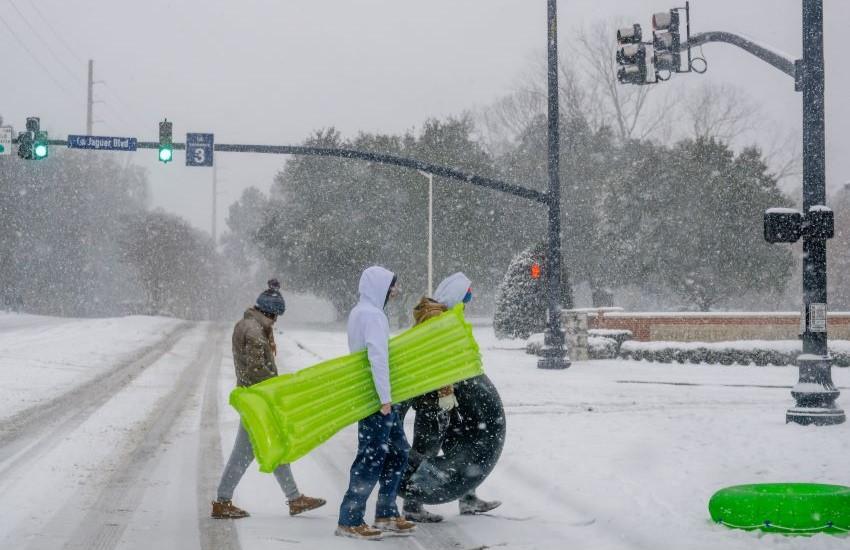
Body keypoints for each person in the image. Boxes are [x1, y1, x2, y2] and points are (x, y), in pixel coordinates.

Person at [211, 286, 326, 519]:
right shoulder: (253, 331)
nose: (275, 323)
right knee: (256, 451)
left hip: (255, 399)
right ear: (270, 313)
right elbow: (256, 370)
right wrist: (278, 389)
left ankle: (293, 499)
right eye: (276, 318)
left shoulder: (250, 325)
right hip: (258, 401)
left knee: (271, 447)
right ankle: (224, 501)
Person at [401, 272, 502, 523]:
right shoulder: (435, 317)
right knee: (426, 449)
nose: (467, 302)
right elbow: (438, 358)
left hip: (449, 399)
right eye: (465, 296)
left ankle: (468, 498)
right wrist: (445, 390)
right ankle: (412, 505)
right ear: (456, 294)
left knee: (461, 445)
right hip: (432, 400)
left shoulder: (441, 314)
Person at [336, 266, 417, 540]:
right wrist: (385, 399)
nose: (396, 291)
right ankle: (350, 519)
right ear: (379, 287)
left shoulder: (363, 312)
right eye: (392, 286)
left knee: (398, 451)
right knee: (371, 457)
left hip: (379, 396)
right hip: (376, 399)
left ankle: (386, 513)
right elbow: (377, 357)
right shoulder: (371, 315)